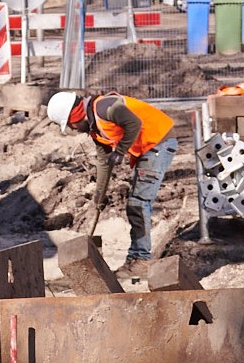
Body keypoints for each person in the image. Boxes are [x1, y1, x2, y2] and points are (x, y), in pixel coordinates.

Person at [50, 87, 181, 266]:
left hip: (159, 142)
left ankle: (140, 260)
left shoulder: (106, 108)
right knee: (137, 204)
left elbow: (134, 123)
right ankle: (137, 256)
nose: (73, 129)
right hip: (148, 148)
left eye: (71, 125)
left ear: (75, 115)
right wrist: (99, 197)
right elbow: (104, 164)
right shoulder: (95, 129)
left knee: (138, 203)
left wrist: (120, 151)